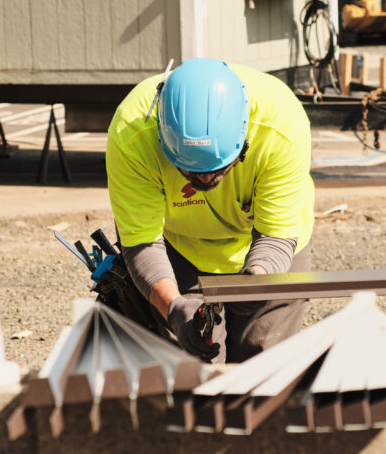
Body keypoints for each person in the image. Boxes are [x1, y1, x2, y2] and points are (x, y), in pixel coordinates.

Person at [105, 58, 314, 363]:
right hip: (181, 249)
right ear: (162, 136)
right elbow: (142, 242)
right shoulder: (132, 132)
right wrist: (173, 307)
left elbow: (275, 236)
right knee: (194, 368)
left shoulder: (280, 124)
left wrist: (257, 281)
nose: (204, 180)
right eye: (189, 169)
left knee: (265, 365)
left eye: (217, 168)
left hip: (268, 244)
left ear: (244, 136)